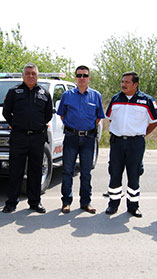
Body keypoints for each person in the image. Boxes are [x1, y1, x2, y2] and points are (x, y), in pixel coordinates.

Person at [105, 72, 157, 218]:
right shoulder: (115, 99)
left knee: (134, 174)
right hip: (117, 142)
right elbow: (110, 118)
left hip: (135, 143)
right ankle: (113, 203)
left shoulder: (146, 100)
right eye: (122, 81)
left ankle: (133, 206)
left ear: (135, 84)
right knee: (115, 173)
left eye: (127, 82)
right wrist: (121, 131)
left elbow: (155, 121)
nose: (123, 84)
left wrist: (140, 133)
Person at [2, 63, 53, 214]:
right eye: (28, 73)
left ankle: (35, 202)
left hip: (37, 137)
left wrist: (37, 126)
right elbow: (6, 113)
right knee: (15, 171)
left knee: (35, 171)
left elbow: (48, 114)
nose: (31, 76)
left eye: (33, 73)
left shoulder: (44, 93)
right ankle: (11, 203)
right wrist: (17, 125)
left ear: (37, 76)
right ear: (23, 75)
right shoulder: (14, 92)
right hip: (19, 136)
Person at [56, 65, 105, 214]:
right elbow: (62, 115)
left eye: (85, 75)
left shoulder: (96, 95)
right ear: (75, 78)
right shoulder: (67, 95)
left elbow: (98, 117)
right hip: (71, 137)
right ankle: (66, 202)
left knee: (86, 172)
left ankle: (86, 202)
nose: (82, 78)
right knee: (67, 171)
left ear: (89, 78)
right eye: (79, 75)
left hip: (89, 138)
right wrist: (74, 128)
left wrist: (86, 129)